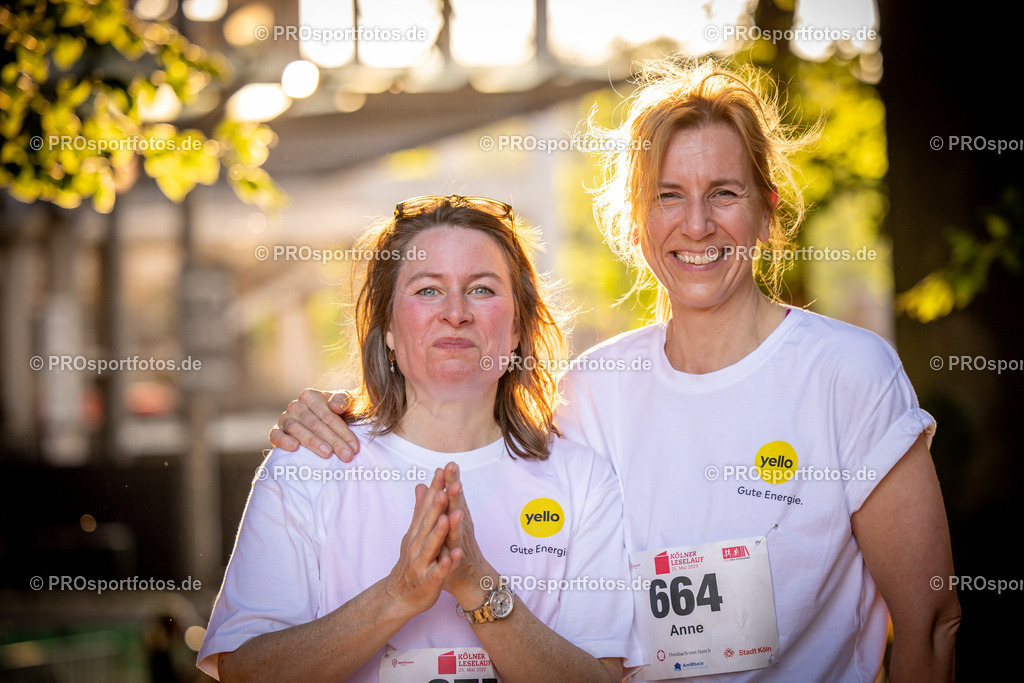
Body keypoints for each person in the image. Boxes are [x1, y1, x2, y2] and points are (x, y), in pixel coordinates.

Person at [269, 59, 960, 681]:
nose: (696, 224)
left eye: (723, 192)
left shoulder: (847, 373)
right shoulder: (590, 390)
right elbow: (462, 423)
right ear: (634, 223)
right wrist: (350, 412)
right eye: (667, 195)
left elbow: (931, 623)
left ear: (765, 211)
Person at [198, 196, 633, 681]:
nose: (455, 313)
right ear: (385, 327)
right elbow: (245, 672)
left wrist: (478, 585)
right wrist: (397, 594)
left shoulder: (582, 480)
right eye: (427, 291)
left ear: (516, 329)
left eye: (482, 290)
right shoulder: (310, 463)